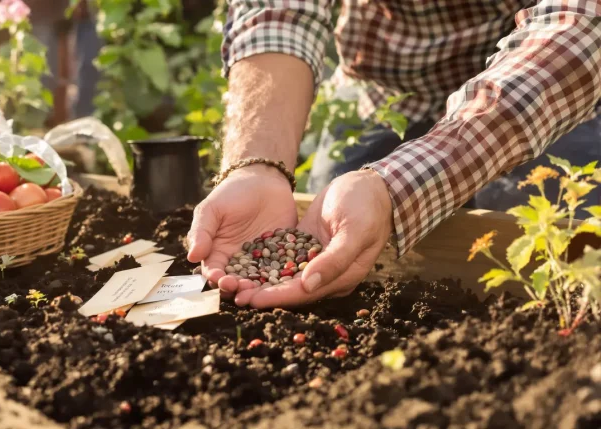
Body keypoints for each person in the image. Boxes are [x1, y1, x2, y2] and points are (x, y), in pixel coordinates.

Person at [186, 1, 601, 309]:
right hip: (382, 89)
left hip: (541, 86)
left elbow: (579, 28)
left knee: (561, 250)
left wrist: (395, 186)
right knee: (334, 244)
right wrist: (256, 165)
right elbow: (276, 14)